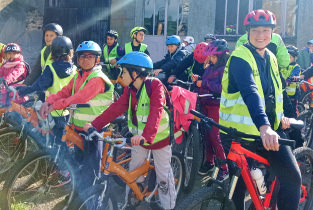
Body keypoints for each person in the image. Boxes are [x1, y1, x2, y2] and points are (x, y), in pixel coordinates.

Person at [219, 9, 301, 210]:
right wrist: (264, 126)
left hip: (269, 133)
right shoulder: (240, 57)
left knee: (292, 178)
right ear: (247, 32)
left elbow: (278, 90)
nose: (261, 35)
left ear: (273, 33)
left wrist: (289, 117)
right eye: (255, 30)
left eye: (266, 30)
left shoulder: (272, 57)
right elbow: (250, 92)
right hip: (240, 135)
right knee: (236, 191)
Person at [84, 52, 176, 210]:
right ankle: (130, 202)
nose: (121, 75)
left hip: (159, 139)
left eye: (123, 71)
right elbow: (115, 108)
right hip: (138, 138)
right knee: (133, 170)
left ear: (135, 73)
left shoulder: (155, 85)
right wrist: (94, 124)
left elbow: (156, 111)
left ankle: (169, 205)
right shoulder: (130, 90)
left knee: (163, 176)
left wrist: (146, 136)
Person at [39, 40, 114, 190]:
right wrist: (48, 101)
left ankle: (94, 196)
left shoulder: (97, 78)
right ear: (77, 59)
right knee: (79, 159)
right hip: (79, 127)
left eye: (90, 56)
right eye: (82, 56)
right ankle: (79, 192)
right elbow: (65, 91)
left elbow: (79, 97)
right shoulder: (79, 75)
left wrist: (56, 105)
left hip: (95, 129)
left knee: (91, 167)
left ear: (97, 59)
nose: (85, 59)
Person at [18, 36, 76, 148]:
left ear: (52, 52)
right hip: (68, 111)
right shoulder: (74, 69)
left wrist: (22, 90)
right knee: (63, 141)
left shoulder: (51, 68)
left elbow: (38, 86)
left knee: (54, 142)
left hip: (52, 111)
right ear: (70, 52)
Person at [192, 39, 229, 177]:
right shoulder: (209, 68)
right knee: (206, 135)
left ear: (221, 56)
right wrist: (198, 80)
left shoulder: (225, 70)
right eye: (211, 56)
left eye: (214, 57)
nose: (211, 59)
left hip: (215, 106)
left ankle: (224, 167)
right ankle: (209, 161)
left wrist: (204, 83)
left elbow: (221, 88)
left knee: (215, 136)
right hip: (204, 104)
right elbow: (206, 83)